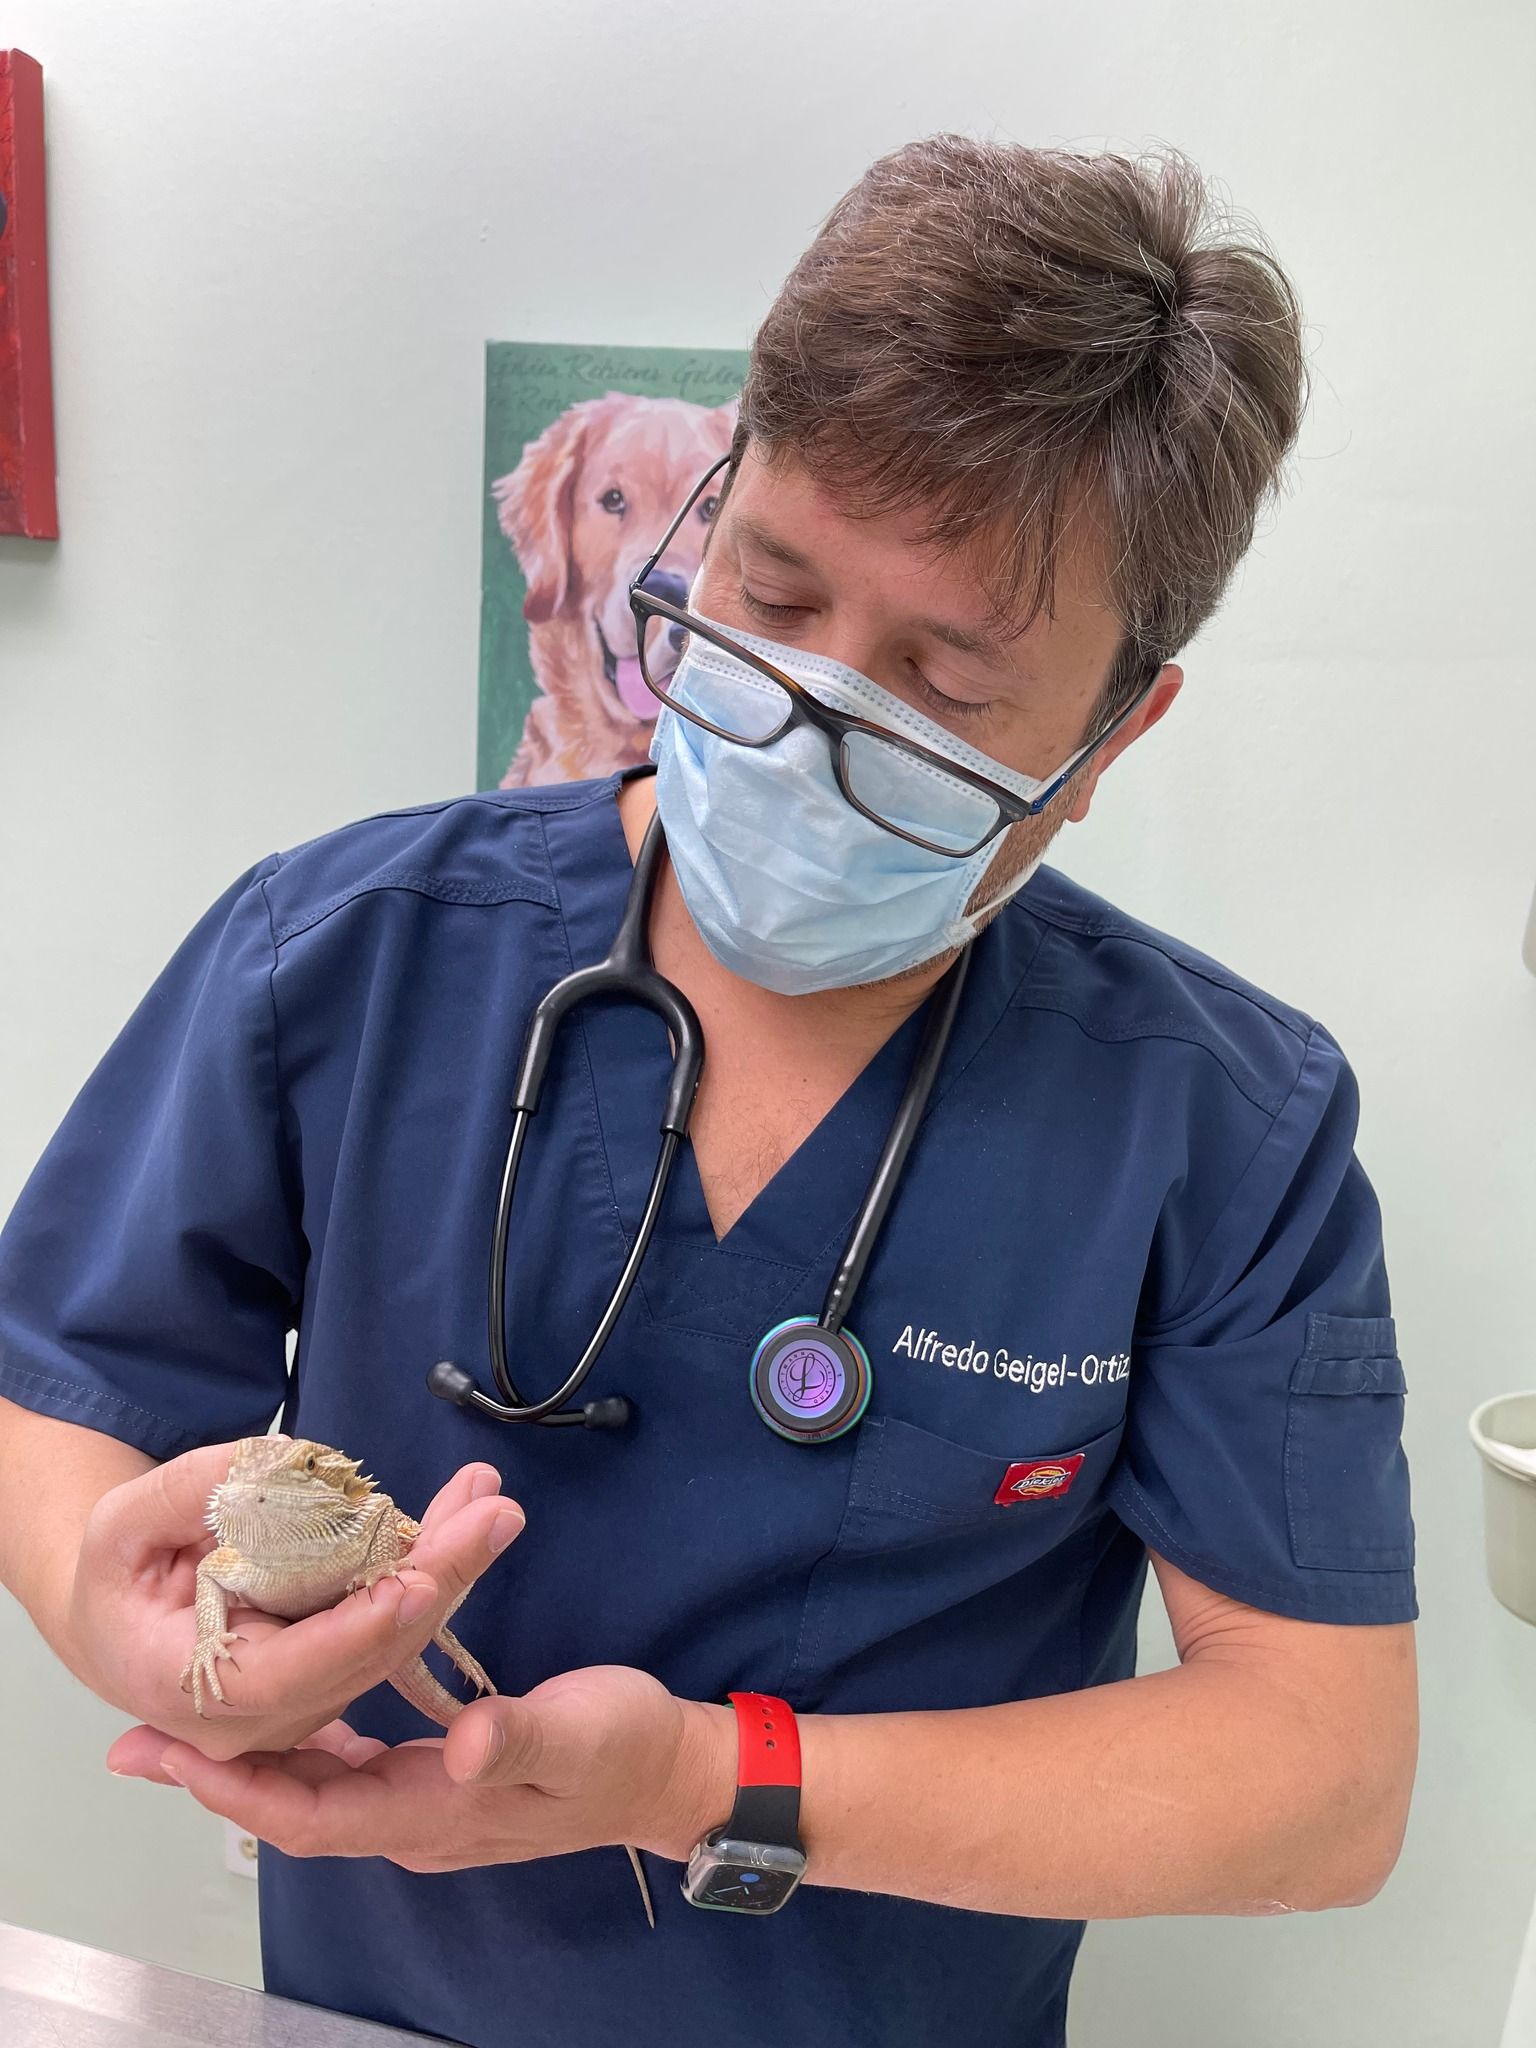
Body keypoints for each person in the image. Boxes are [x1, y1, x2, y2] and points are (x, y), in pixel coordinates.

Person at [0, 135, 1417, 2048]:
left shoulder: (1221, 1127)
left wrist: (702, 1782)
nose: (811, 711)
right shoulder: (346, 954)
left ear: (1110, 733)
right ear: (717, 495)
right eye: (773, 585)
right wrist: (114, 1613)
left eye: (944, 686)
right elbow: (58, 1396)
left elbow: (1322, 1777)